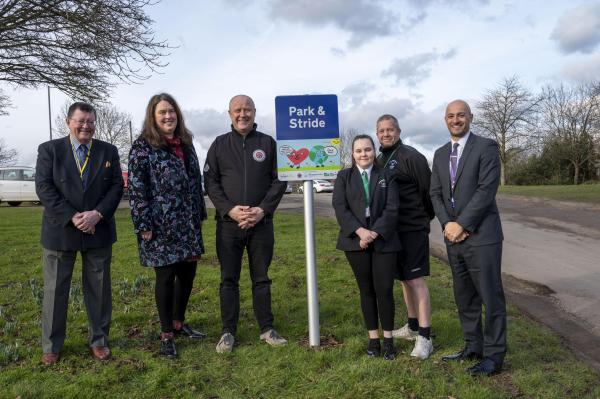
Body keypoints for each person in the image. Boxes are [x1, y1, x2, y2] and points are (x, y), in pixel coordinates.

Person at [35, 102, 123, 365]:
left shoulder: (109, 150)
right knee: (55, 290)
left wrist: (97, 214)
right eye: (81, 121)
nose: (86, 126)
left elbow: (117, 186)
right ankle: (51, 345)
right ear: (68, 121)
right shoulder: (49, 150)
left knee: (99, 289)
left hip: (98, 229)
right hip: (61, 230)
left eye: (91, 121)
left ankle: (99, 340)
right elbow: (43, 187)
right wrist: (73, 216)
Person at [204, 94, 287, 353]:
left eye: (247, 110)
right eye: (238, 110)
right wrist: (230, 210)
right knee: (228, 279)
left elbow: (279, 180)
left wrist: (262, 210)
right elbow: (210, 183)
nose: (243, 114)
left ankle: (266, 328)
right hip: (229, 226)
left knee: (261, 278)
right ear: (230, 114)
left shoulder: (268, 143)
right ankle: (228, 331)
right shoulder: (219, 145)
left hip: (261, 224)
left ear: (254, 112)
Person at [430, 100, 507, 376]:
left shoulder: (486, 147)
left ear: (470, 117)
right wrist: (447, 224)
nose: (456, 119)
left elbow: (487, 190)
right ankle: (473, 347)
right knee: (465, 297)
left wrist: (462, 224)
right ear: (445, 119)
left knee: (490, 296)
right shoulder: (439, 154)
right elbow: (435, 194)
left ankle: (495, 357)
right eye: (450, 115)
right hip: (453, 238)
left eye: (461, 115)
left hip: (482, 236)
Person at [128, 93, 207, 358]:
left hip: (187, 223)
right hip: (159, 225)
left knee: (188, 275)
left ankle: (178, 322)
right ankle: (165, 335)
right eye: (162, 112)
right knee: (165, 277)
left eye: (171, 111)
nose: (168, 116)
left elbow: (195, 181)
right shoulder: (142, 146)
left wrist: (199, 216)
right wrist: (143, 224)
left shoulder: (186, 143)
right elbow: (138, 189)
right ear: (153, 116)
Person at [332, 135, 401, 360]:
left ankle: (389, 340)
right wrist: (360, 232)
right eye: (359, 150)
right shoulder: (344, 176)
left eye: (368, 150)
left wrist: (374, 233)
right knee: (366, 291)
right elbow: (340, 207)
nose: (364, 154)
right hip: (355, 241)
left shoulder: (387, 175)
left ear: (374, 151)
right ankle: (373, 339)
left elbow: (392, 208)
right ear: (352, 154)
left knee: (384, 290)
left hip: (384, 240)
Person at [375, 114, 435, 359]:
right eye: (382, 131)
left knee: (416, 280)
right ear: (377, 134)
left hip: (412, 229)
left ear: (398, 131)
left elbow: (428, 192)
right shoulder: (379, 159)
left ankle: (425, 336)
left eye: (390, 130)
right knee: (403, 280)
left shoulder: (412, 157)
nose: (386, 134)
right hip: (391, 231)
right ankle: (411, 327)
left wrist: (422, 220)